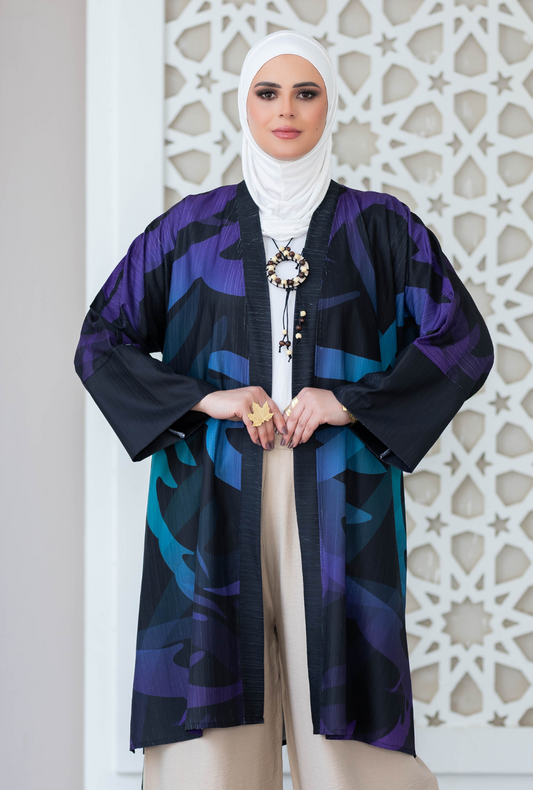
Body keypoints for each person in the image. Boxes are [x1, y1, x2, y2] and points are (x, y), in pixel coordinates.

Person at [74, 30, 493, 790]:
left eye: (307, 93)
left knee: (340, 711)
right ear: (244, 104)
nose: (287, 111)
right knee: (213, 717)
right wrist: (205, 396)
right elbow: (100, 342)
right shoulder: (188, 230)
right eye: (268, 93)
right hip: (209, 491)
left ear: (330, 104)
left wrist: (349, 402)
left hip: (340, 492)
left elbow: (461, 340)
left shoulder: (381, 227)